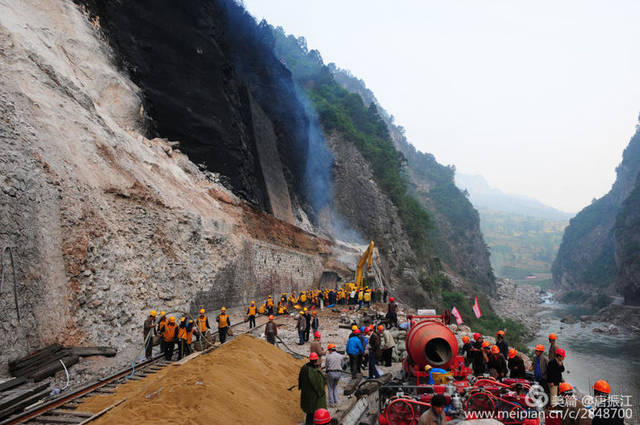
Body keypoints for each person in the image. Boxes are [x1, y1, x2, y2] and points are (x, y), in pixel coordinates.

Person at [298, 352, 327, 425]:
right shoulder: (314, 372)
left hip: (306, 395)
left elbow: (300, 380)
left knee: (309, 414)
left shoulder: (304, 368)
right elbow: (319, 387)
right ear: (316, 360)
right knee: (314, 414)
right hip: (314, 398)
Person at [325, 343, 343, 407]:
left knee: (330, 388)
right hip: (338, 373)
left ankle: (331, 403)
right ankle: (336, 400)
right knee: (335, 386)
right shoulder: (340, 356)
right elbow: (342, 365)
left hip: (331, 373)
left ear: (330, 350)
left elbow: (326, 366)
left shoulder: (328, 356)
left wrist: (326, 372)